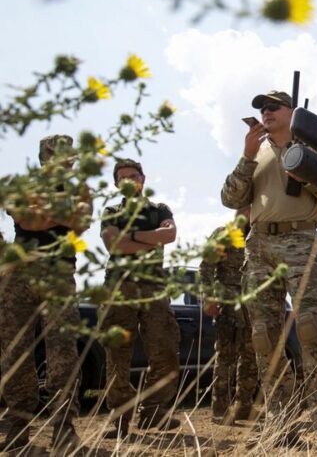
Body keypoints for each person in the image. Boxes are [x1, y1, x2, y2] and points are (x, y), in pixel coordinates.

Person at [220, 90, 317, 448]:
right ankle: (282, 422)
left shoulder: (312, 151)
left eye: (273, 106)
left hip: (300, 243)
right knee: (263, 337)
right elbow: (230, 199)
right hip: (258, 247)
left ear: (293, 112)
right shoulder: (254, 153)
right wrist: (245, 156)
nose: (265, 112)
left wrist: (305, 172)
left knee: (310, 331)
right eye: (261, 107)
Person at [0, 135, 90, 452]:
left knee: (63, 353)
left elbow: (80, 223)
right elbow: (27, 218)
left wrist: (45, 211)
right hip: (18, 276)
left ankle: (64, 431)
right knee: (16, 353)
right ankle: (15, 436)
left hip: (59, 274)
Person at [99, 158, 181, 437]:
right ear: (116, 183)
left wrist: (131, 236)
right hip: (119, 287)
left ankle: (153, 412)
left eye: (132, 176)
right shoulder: (111, 211)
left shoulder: (159, 210)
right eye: (121, 178)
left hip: (153, 288)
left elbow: (169, 235)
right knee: (117, 355)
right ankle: (119, 419)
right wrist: (150, 239)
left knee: (166, 350)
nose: (128, 181)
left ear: (142, 178)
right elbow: (113, 244)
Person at [199, 207, 258, 425]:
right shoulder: (224, 234)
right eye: (244, 207)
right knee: (225, 357)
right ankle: (220, 410)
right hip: (228, 304)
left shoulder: (258, 236)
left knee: (251, 358)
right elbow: (206, 267)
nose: (248, 212)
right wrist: (208, 296)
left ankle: (244, 406)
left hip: (252, 305)